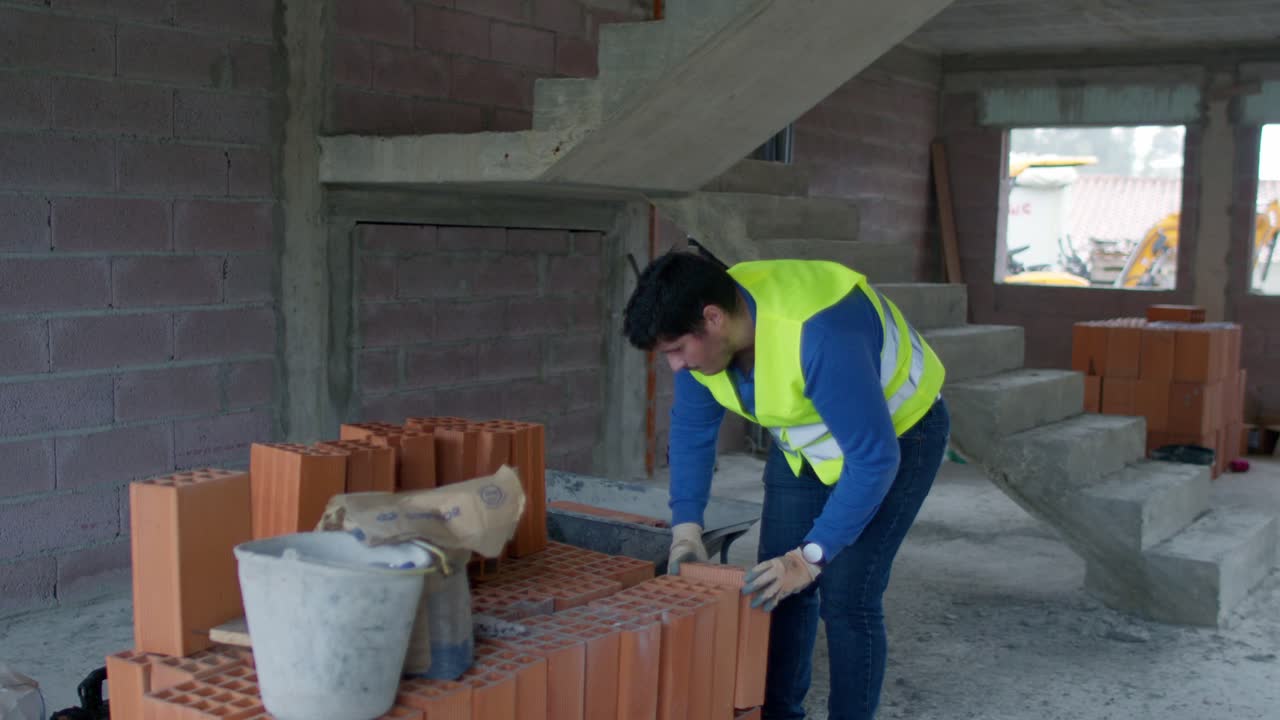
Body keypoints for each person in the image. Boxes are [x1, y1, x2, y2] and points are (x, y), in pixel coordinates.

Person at [622, 251, 951, 720]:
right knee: (776, 585)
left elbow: (873, 459)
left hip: (898, 433)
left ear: (713, 319)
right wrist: (686, 529)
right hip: (808, 441)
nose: (675, 365)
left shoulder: (819, 334)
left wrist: (810, 557)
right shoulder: (704, 342)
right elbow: (692, 431)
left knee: (848, 598)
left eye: (676, 349)